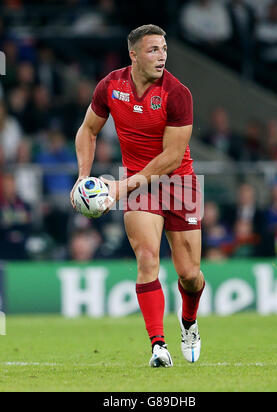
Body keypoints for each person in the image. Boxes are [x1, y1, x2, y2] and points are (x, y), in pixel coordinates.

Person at [70, 24, 205, 367]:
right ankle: (158, 346)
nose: (161, 56)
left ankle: (188, 322)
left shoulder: (178, 93)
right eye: (153, 50)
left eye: (163, 49)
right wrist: (83, 178)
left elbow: (172, 158)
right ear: (133, 54)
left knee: (190, 275)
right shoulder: (111, 86)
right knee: (147, 258)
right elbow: (88, 129)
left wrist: (119, 187)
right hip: (137, 185)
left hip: (179, 183)